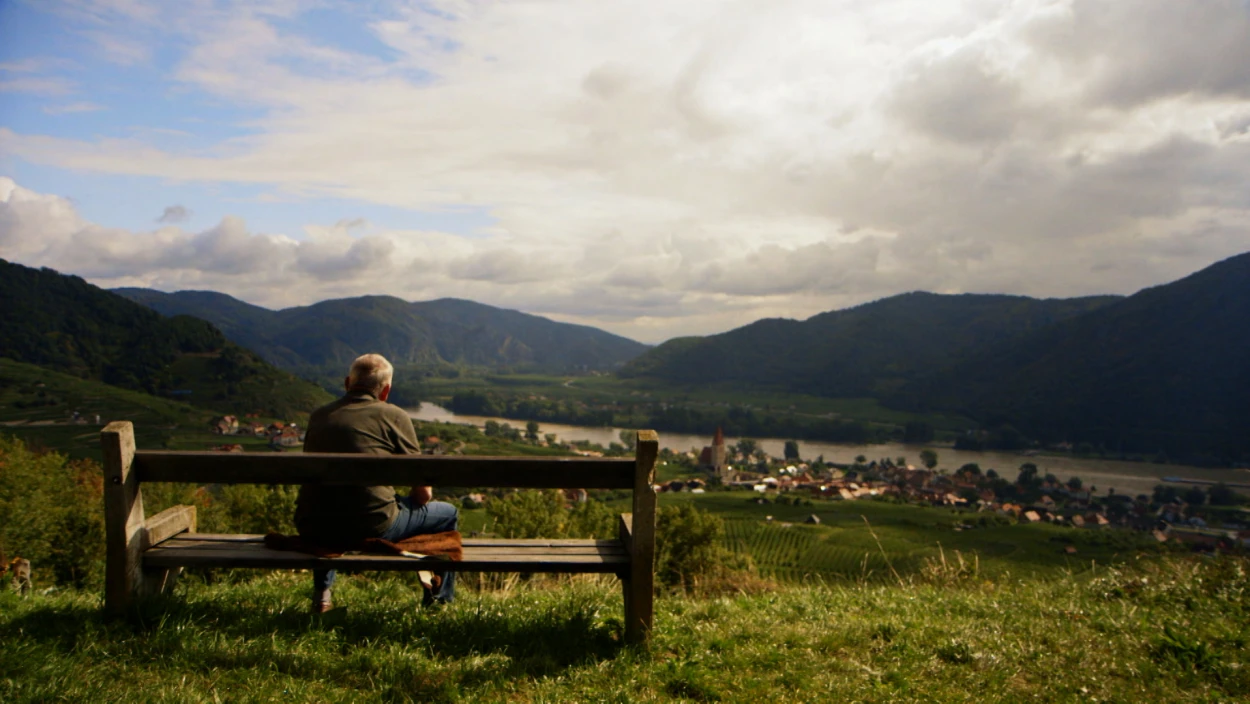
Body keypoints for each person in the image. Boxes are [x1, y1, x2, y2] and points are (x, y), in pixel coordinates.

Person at [295, 353, 458, 613]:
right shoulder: (393, 416)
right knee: (448, 513)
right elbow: (424, 495)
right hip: (371, 525)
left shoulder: (319, 416)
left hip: (312, 525)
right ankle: (438, 601)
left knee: (327, 507)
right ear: (385, 391)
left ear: (348, 383)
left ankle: (322, 598)